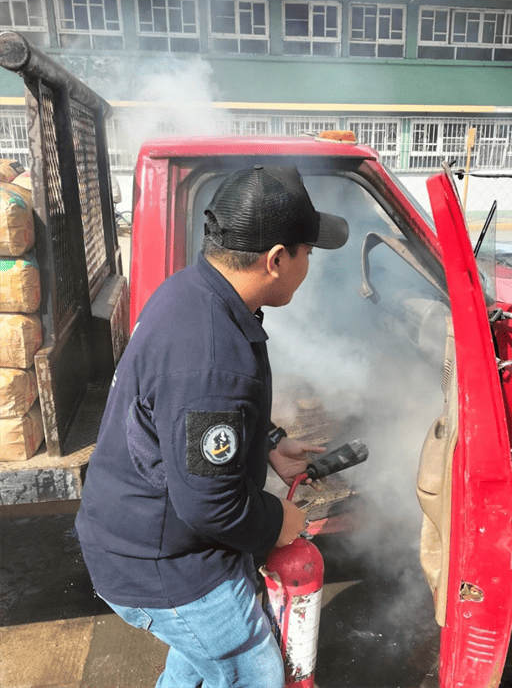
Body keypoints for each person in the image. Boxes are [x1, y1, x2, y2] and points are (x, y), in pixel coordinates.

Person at [76, 164, 349, 688]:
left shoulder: (193, 290)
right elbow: (211, 504)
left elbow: (189, 413)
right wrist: (278, 521)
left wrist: (267, 441)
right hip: (164, 562)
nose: (309, 263)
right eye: (308, 252)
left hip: (137, 536)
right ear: (275, 260)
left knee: (202, 664)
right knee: (254, 671)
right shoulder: (212, 353)